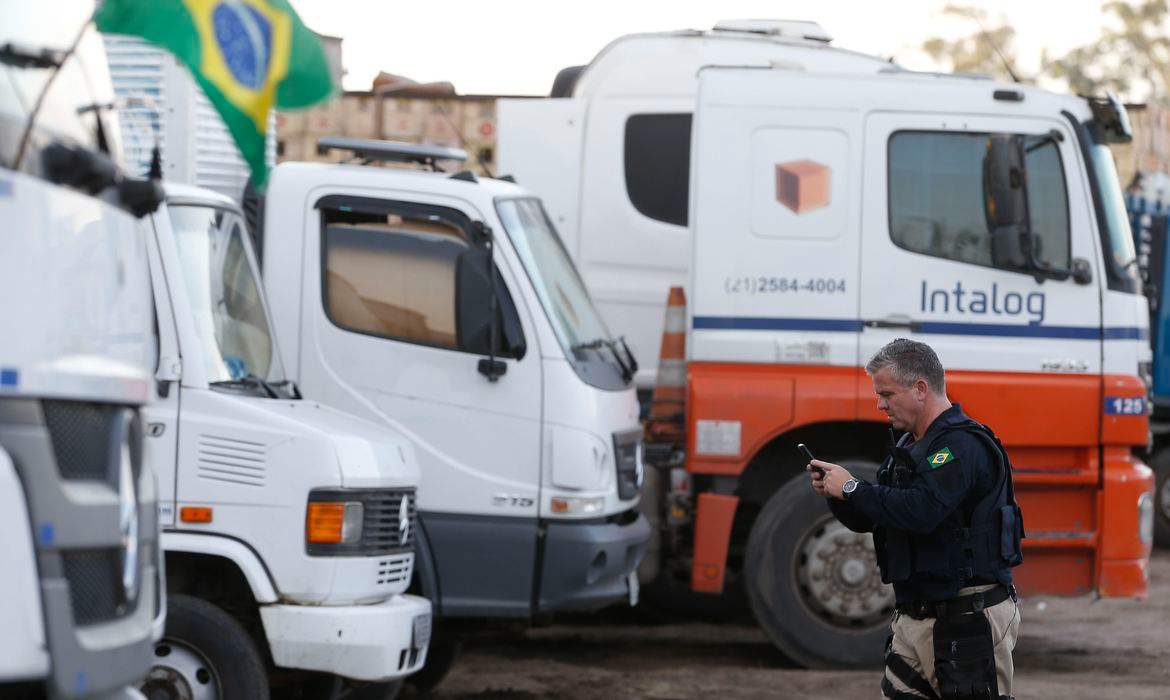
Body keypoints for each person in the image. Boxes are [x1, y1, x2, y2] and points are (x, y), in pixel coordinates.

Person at [808, 339, 1023, 700]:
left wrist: (852, 487)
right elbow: (883, 514)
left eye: (887, 394)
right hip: (916, 617)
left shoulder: (960, 446)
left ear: (920, 388)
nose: (880, 404)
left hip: (966, 619)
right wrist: (839, 496)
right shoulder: (910, 446)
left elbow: (922, 512)